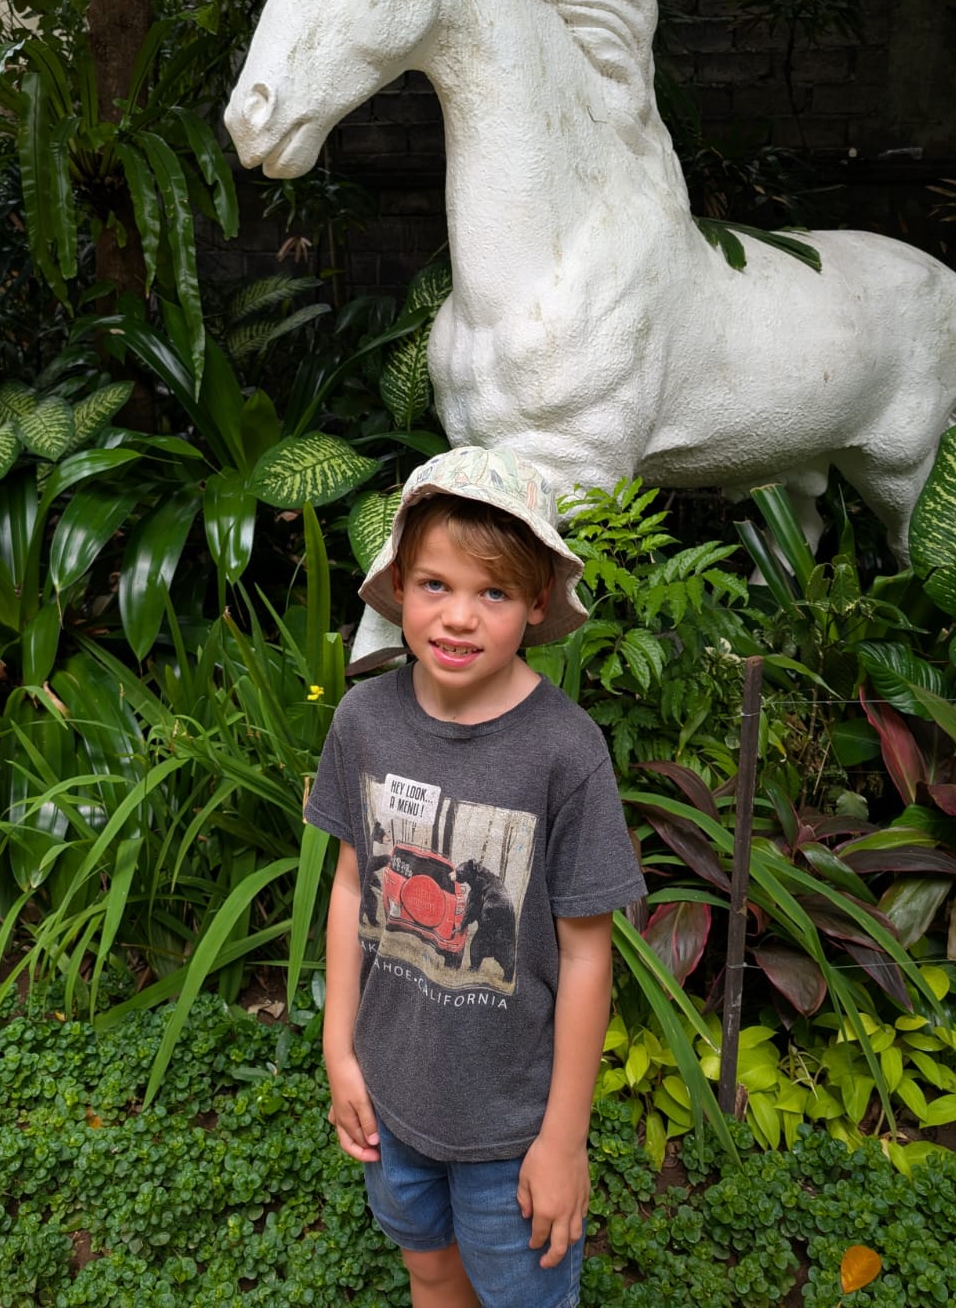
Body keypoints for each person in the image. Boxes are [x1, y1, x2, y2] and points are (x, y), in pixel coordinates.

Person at [305, 445, 646, 1308]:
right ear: (399, 586)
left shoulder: (565, 752)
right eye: (436, 584)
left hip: (512, 1125)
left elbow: (588, 956)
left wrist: (563, 1140)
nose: (459, 617)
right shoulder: (363, 720)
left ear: (537, 603)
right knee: (428, 1267)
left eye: (493, 593)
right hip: (390, 1093)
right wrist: (339, 1050)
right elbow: (350, 888)